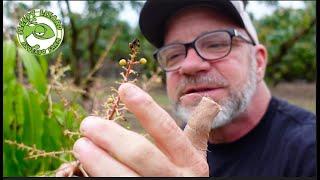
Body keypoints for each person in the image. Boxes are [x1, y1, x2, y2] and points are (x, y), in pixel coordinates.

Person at [56, 0, 316, 177]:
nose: (189, 65)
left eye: (216, 44)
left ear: (258, 62)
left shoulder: (308, 151)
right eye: (173, 53)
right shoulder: (159, 153)